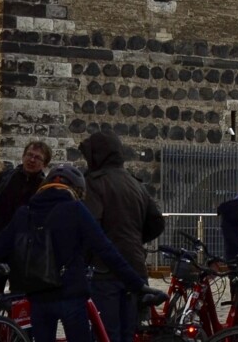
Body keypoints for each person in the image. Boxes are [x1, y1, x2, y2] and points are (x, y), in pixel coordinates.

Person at [0, 164, 156, 342]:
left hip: (38, 297)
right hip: (70, 295)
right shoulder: (75, 210)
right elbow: (106, 250)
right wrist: (138, 285)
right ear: (76, 189)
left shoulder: (24, 213)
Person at [79, 130, 166, 342]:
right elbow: (156, 222)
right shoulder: (135, 184)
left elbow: (91, 227)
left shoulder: (94, 183)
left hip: (105, 269)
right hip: (134, 266)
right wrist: (135, 239)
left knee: (106, 333)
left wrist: (85, 258)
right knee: (128, 332)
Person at [0, 140, 53, 236]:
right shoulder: (3, 179)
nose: (32, 160)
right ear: (23, 156)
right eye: (29, 155)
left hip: (25, 245)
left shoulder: (45, 189)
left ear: (45, 164)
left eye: (38, 158)